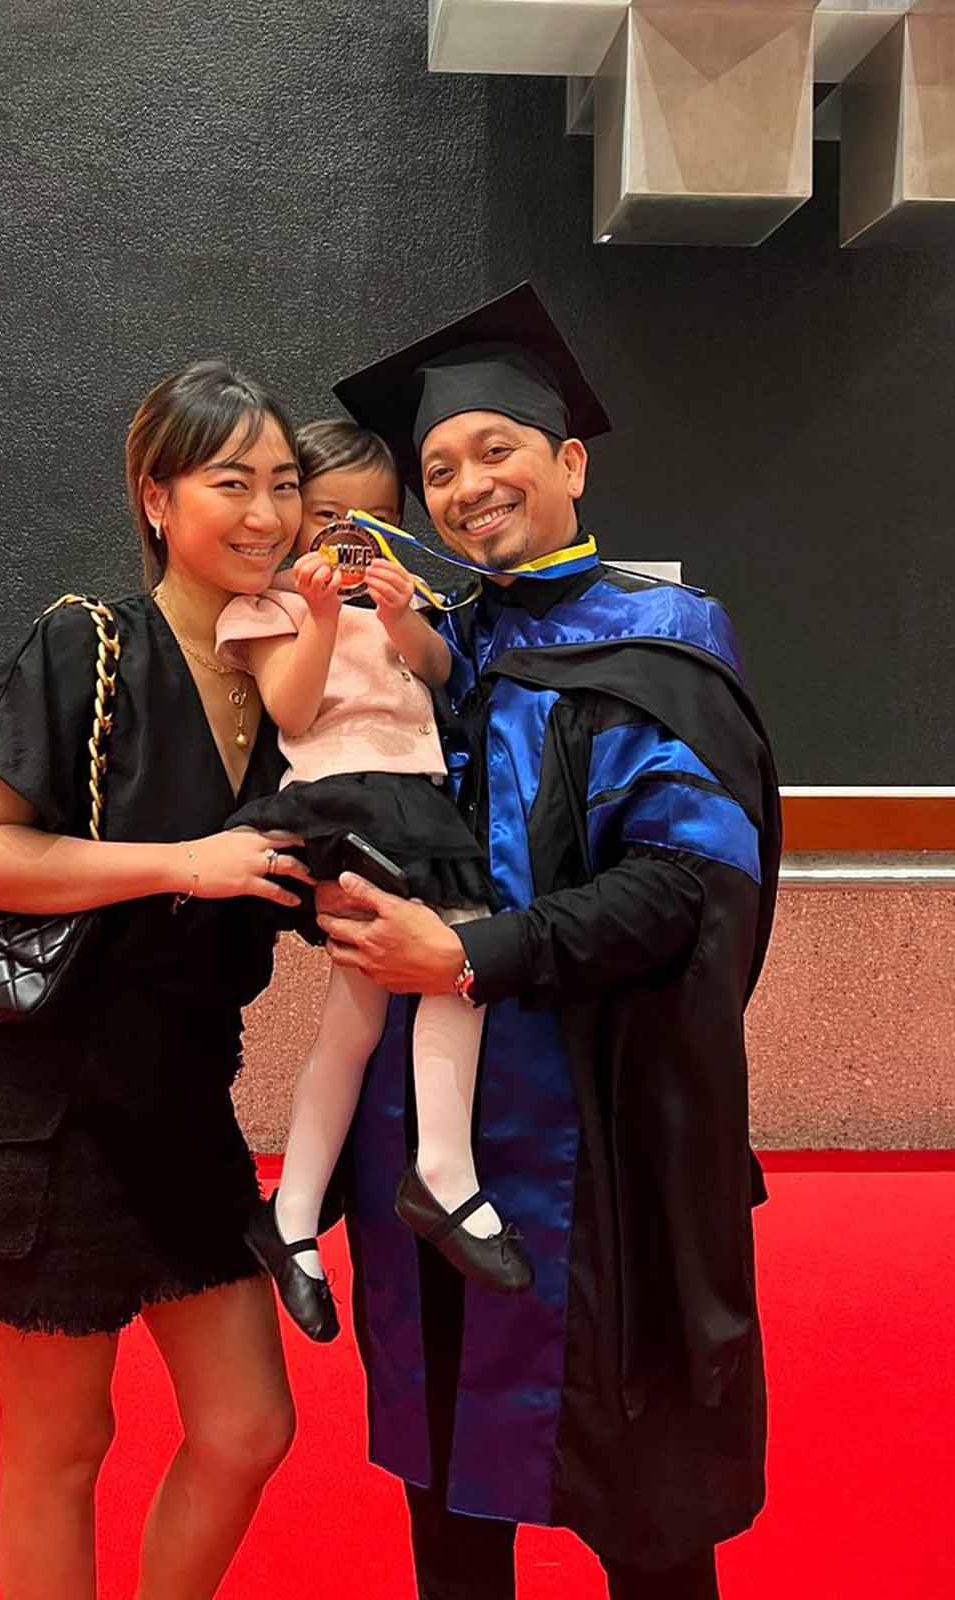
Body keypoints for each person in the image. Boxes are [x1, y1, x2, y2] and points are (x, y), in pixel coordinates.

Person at [314, 284, 781, 1600]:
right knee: (449, 1497)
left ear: (569, 461)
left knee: (643, 1505)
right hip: (427, 1142)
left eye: (496, 450)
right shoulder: (426, 646)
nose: (466, 486)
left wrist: (471, 956)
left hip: (604, 1135)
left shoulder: (663, 642)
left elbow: (683, 889)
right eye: (438, 469)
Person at [0, 359, 316, 1600]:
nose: (267, 513)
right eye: (230, 481)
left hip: (183, 1106)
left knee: (247, 1427)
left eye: (284, 483)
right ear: (155, 498)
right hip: (40, 1102)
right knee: (61, 1446)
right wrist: (183, 861)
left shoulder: (288, 675)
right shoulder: (86, 641)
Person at [215, 420, 529, 1345]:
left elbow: (441, 674)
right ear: (293, 520)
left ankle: (294, 1211)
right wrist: (320, 615)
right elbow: (291, 709)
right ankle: (441, 1172)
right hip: (342, 801)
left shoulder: (406, 596)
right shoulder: (265, 606)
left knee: (369, 1009)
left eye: (377, 519)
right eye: (329, 518)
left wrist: (400, 618)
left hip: (418, 805)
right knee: (452, 967)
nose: (352, 538)